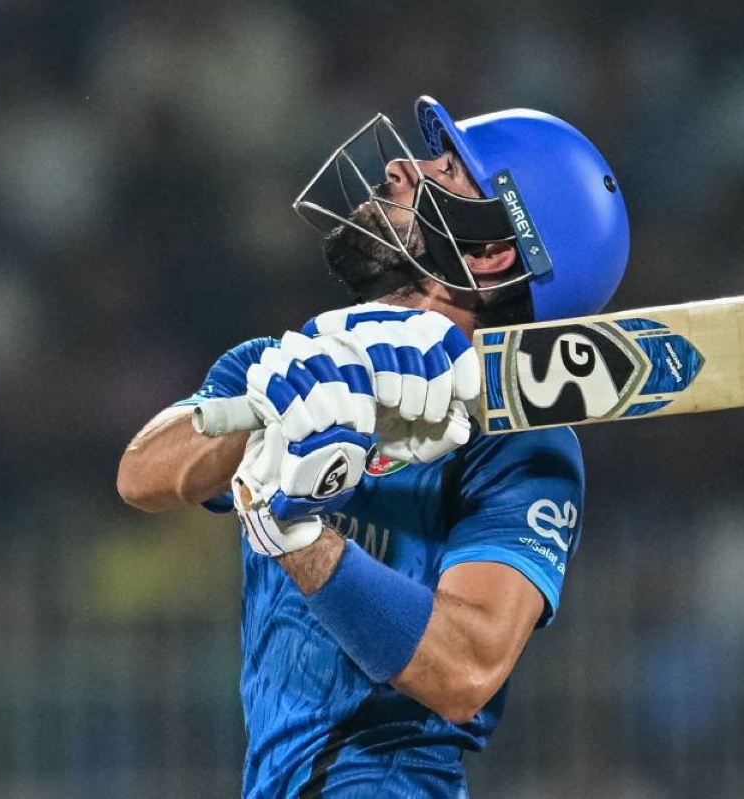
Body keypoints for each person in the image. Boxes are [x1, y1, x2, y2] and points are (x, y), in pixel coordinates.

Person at [116, 95, 629, 797]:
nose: (401, 167)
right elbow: (142, 474)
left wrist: (298, 536)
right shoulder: (289, 363)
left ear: (493, 251)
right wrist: (272, 415)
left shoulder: (520, 444)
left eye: (447, 170)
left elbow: (466, 669)